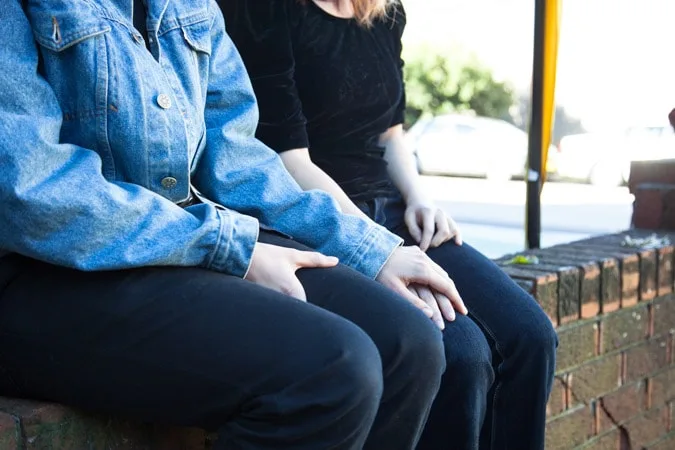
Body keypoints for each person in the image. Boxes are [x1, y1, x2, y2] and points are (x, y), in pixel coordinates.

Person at [0, 1, 474, 449]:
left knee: (409, 343)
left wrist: (369, 249)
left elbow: (238, 159)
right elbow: (31, 190)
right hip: (44, 270)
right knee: (332, 369)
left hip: (183, 240)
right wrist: (231, 246)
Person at [220, 1, 558, 449]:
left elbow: (390, 134)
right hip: (316, 218)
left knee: (531, 338)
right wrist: (376, 244)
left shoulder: (386, 13)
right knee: (463, 355)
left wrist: (420, 198)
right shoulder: (264, 12)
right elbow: (289, 161)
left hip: (392, 210)